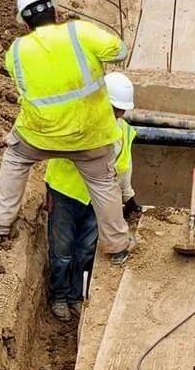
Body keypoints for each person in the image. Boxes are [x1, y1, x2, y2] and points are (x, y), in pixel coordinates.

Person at [0, 0, 134, 264]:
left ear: (24, 23)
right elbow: (119, 52)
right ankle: (117, 248)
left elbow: (22, 83)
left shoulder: (16, 51)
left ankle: (1, 222)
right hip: (90, 135)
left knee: (15, 159)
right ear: (56, 12)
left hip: (39, 134)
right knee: (104, 184)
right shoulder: (78, 31)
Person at [44, 72, 141, 322]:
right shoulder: (75, 122)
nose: (118, 115)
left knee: (86, 249)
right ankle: (59, 296)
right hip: (65, 193)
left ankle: (77, 296)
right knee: (62, 250)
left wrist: (128, 195)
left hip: (97, 200)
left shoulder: (124, 132)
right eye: (115, 109)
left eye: (121, 111)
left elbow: (124, 166)